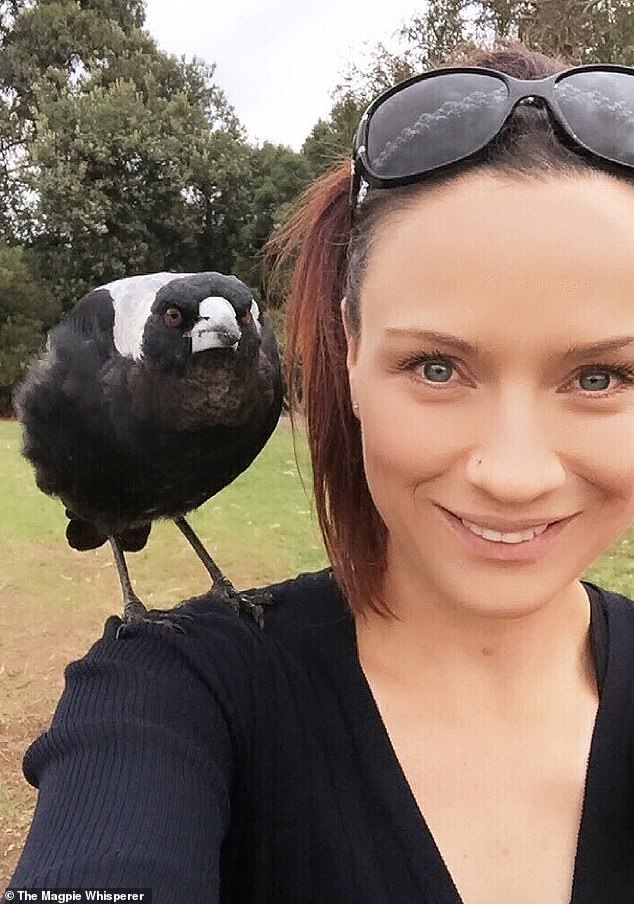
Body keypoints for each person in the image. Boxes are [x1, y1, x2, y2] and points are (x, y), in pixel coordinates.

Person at [5, 39, 634, 904]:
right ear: (348, 350)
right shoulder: (168, 694)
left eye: (599, 376)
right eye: (438, 367)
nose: (514, 475)